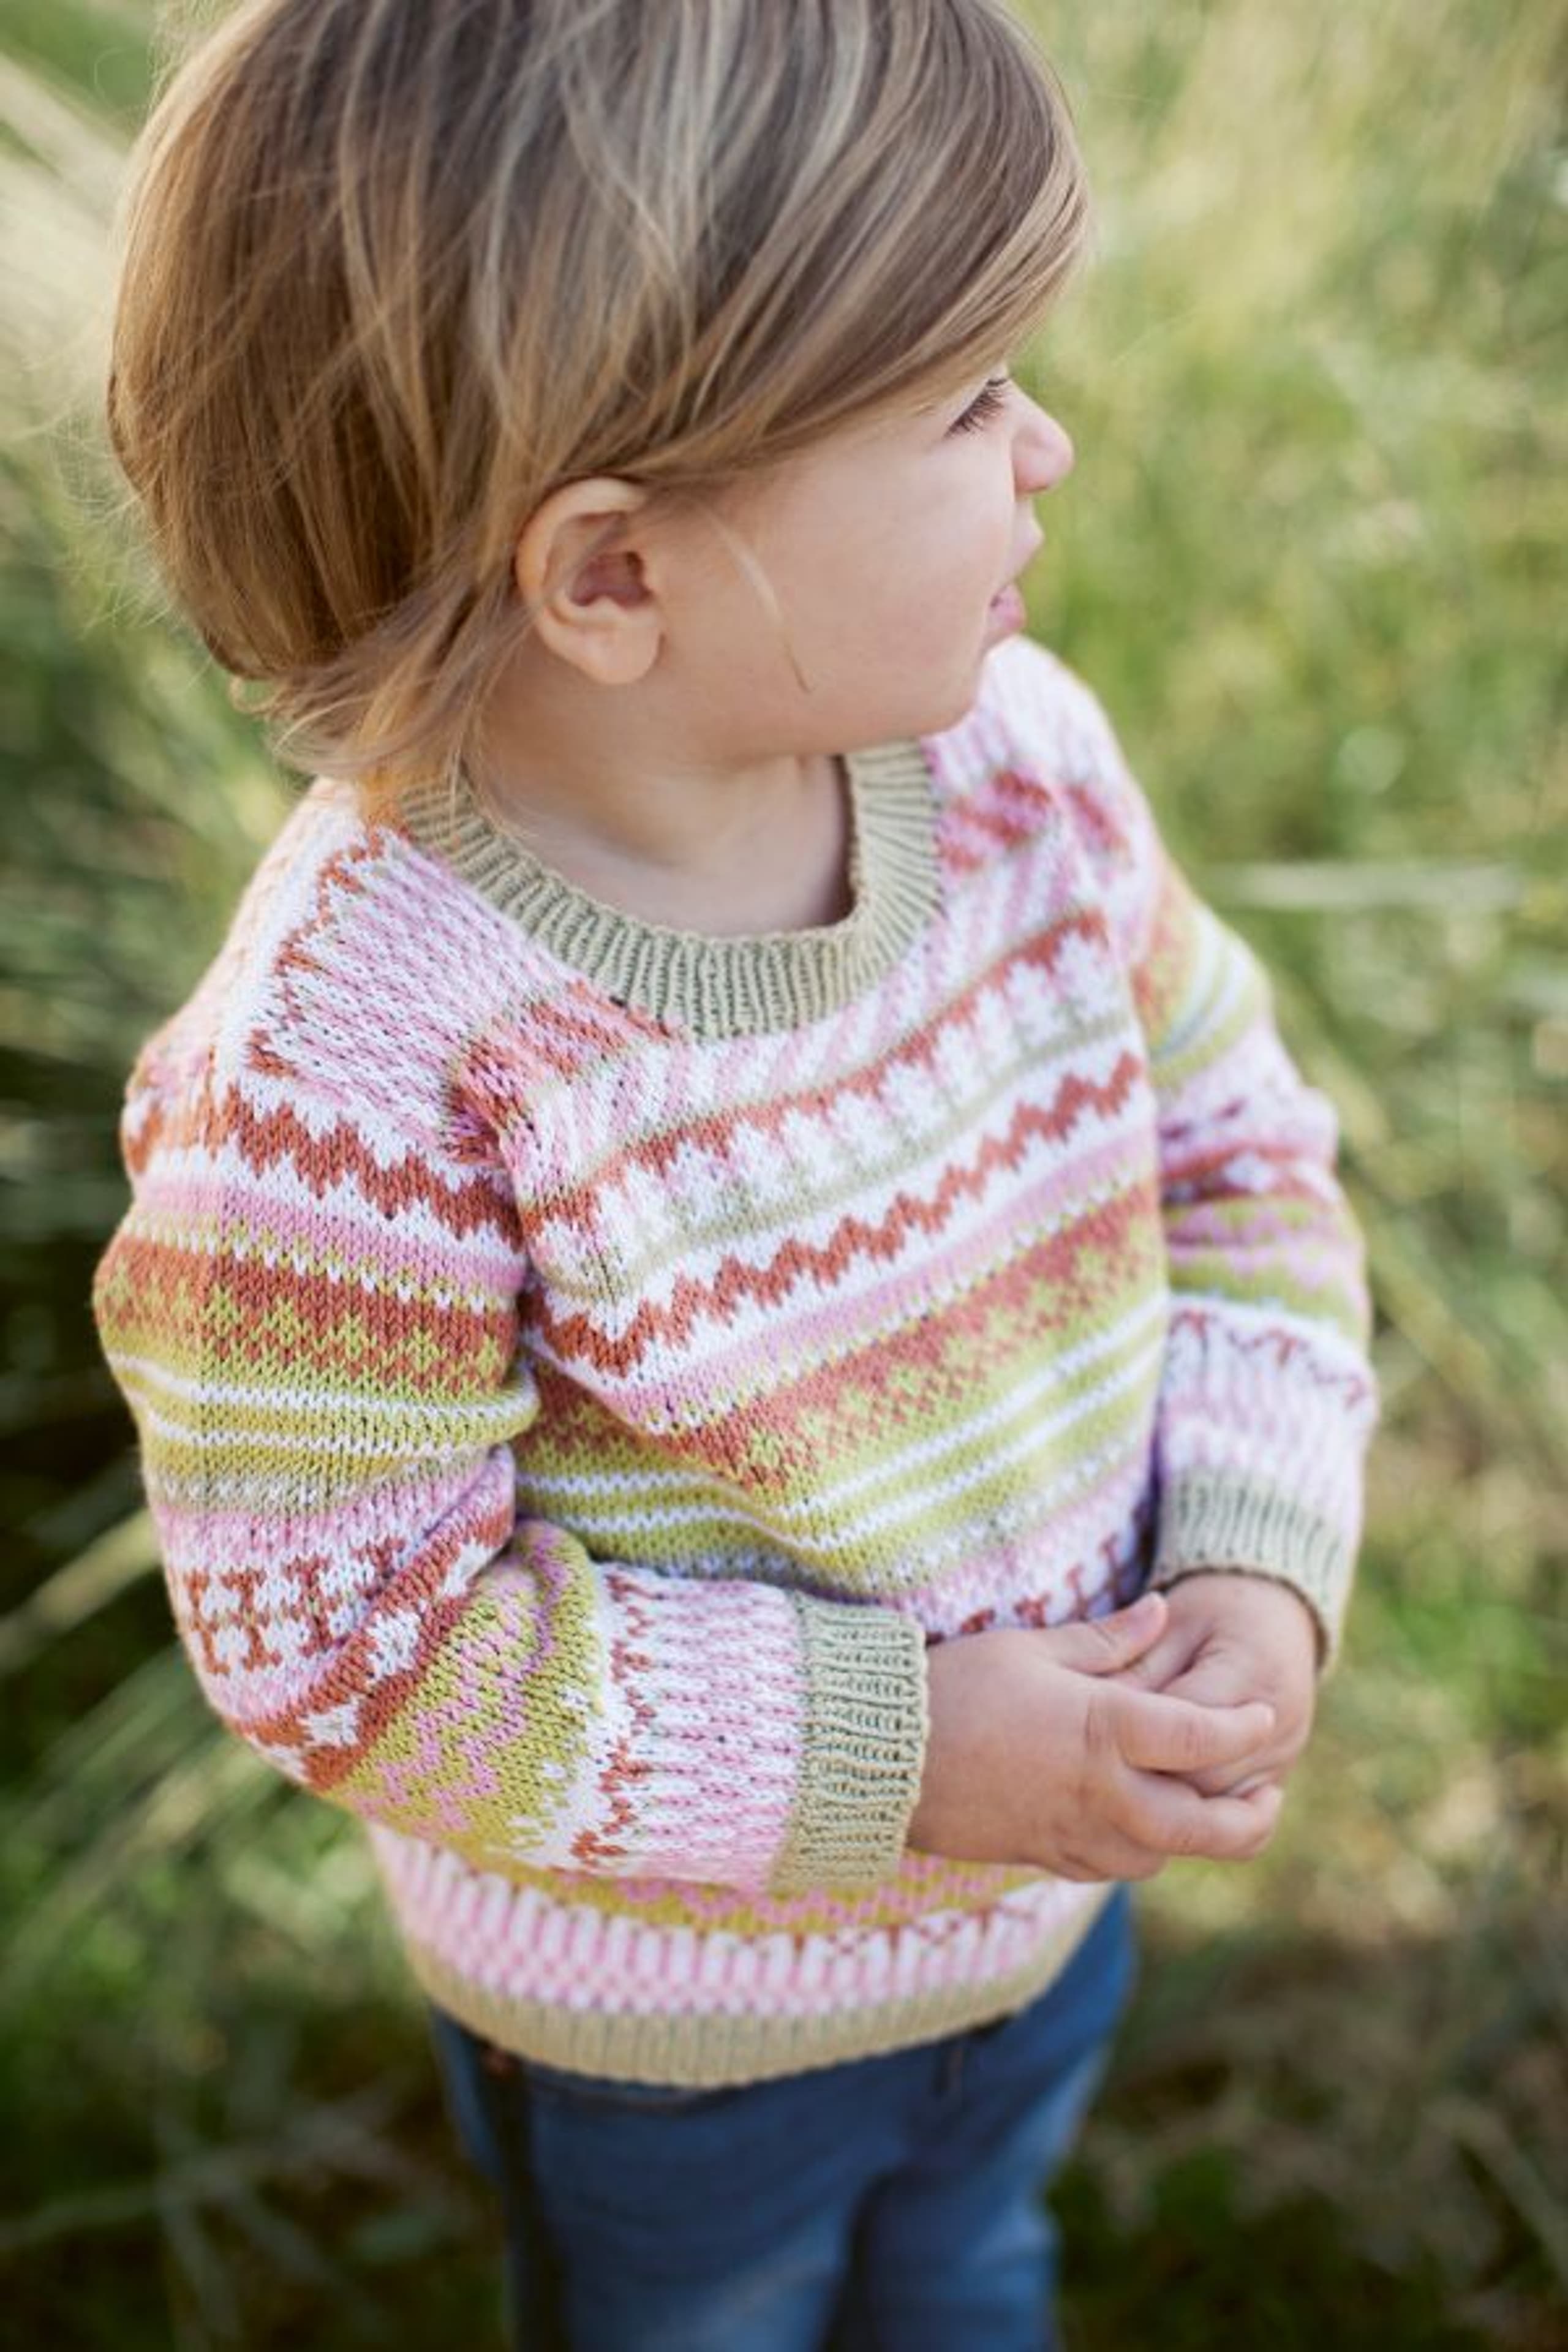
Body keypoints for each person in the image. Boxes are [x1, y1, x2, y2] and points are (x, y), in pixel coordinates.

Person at [89, 2, 1379, 2345]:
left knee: (975, 2271)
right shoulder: (357, 1072)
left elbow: (1242, 1165)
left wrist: (1255, 1555)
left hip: (1046, 1915)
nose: (1052, 447)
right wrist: (909, 1757)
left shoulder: (1022, 777)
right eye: (968, 406)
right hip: (677, 2053)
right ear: (611, 576)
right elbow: (351, 1641)